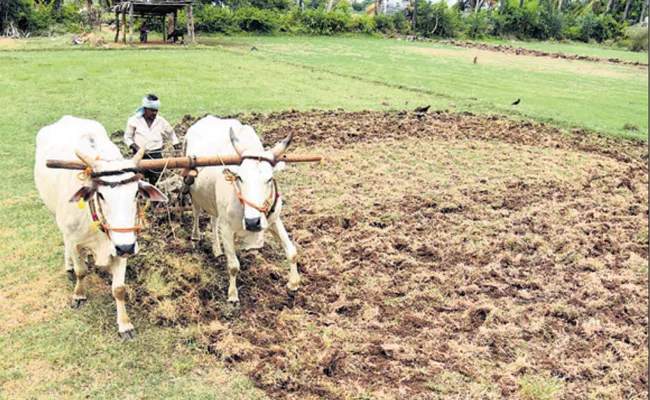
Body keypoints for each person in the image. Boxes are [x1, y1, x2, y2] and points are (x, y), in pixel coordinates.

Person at [124, 94, 181, 185]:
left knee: (155, 178)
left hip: (155, 154)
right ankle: (140, 195)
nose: (154, 113)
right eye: (152, 110)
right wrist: (139, 149)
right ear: (145, 109)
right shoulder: (134, 120)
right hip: (139, 156)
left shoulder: (161, 121)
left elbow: (171, 134)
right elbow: (127, 138)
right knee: (139, 178)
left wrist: (177, 150)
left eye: (156, 111)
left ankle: (154, 195)